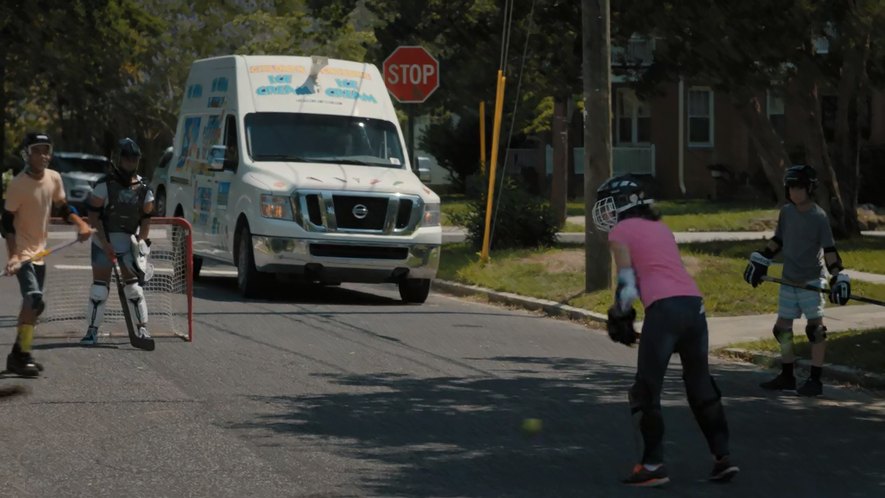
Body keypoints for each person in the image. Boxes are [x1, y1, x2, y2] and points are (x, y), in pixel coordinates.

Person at [593, 174, 738, 487]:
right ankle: (723, 458)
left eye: (609, 203)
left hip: (664, 310)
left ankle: (653, 465)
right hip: (694, 306)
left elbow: (628, 283)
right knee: (700, 384)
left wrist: (620, 315)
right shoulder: (661, 227)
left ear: (626, 202)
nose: (605, 211)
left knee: (645, 390)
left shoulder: (620, 230)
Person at [743, 164, 850, 396]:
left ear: (809, 189)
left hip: (811, 281)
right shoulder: (787, 212)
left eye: (799, 187)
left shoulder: (818, 217)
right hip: (788, 281)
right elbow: (778, 240)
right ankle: (788, 375)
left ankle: (815, 380)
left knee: (816, 330)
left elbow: (829, 249)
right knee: (781, 329)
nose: (794, 192)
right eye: (791, 187)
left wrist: (838, 275)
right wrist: (762, 258)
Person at [2, 132, 92, 376]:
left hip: (40, 253)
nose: (43, 155)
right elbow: (6, 224)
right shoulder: (18, 184)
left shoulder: (54, 178)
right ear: (27, 154)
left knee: (31, 305)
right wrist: (12, 257)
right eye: (37, 150)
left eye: (46, 150)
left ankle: (19, 355)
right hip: (22, 254)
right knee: (34, 299)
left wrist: (80, 224)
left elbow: (63, 208)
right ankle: (21, 354)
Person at [80, 138, 155, 346]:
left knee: (134, 290)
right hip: (103, 242)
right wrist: (104, 243)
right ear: (118, 159)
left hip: (128, 244)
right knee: (99, 289)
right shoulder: (104, 185)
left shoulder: (144, 188)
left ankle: (142, 330)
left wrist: (140, 246)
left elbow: (146, 219)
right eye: (127, 158)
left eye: (134, 159)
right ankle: (92, 331)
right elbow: (93, 216)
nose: (130, 162)